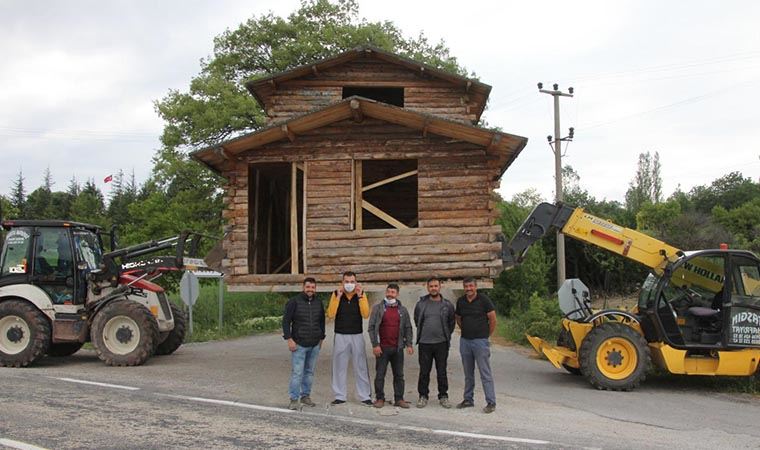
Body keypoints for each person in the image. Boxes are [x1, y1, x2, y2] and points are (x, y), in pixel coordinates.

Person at [326, 271, 372, 406]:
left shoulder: (361, 295)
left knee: (361, 366)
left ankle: (364, 395)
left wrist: (360, 296)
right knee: (339, 365)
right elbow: (330, 314)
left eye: (352, 282)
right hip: (340, 335)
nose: (349, 284)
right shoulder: (336, 294)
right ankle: (340, 395)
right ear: (342, 282)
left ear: (356, 282)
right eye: (347, 281)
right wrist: (338, 297)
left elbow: (365, 314)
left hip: (357, 334)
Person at [455, 277, 497, 414]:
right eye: (466, 286)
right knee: (468, 373)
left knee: (485, 373)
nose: (468, 289)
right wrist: (466, 329)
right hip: (465, 341)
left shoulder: (484, 300)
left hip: (480, 341)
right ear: (463, 287)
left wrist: (486, 335)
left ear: (476, 287)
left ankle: (491, 402)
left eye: (471, 286)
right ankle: (468, 399)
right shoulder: (461, 301)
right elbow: (458, 318)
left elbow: (492, 318)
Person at [282, 277, 325, 410]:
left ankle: (305, 396)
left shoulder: (319, 302)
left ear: (315, 289)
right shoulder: (293, 302)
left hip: (314, 344)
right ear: (303, 287)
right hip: (299, 344)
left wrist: (321, 338)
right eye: (308, 287)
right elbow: (285, 322)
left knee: (309, 372)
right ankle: (294, 399)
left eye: (313, 287)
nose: (310, 290)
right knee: (297, 373)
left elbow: (322, 321)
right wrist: (289, 339)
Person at [368, 283, 414, 408]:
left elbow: (408, 327)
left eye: (393, 292)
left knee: (399, 375)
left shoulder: (402, 310)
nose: (390, 294)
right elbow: (371, 327)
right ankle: (379, 398)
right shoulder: (378, 308)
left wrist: (409, 344)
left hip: (398, 348)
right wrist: (375, 344)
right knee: (380, 374)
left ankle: (399, 399)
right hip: (382, 348)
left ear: (397, 294)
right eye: (388, 292)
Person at [414, 276, 455, 408]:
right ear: (427, 287)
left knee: (441, 371)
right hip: (425, 343)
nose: (433, 288)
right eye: (431, 286)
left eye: (435, 286)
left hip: (441, 343)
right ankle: (423, 396)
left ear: (440, 286)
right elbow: (417, 320)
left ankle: (443, 396)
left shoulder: (447, 305)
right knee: (424, 371)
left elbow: (451, 323)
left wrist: (445, 335)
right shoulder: (421, 304)